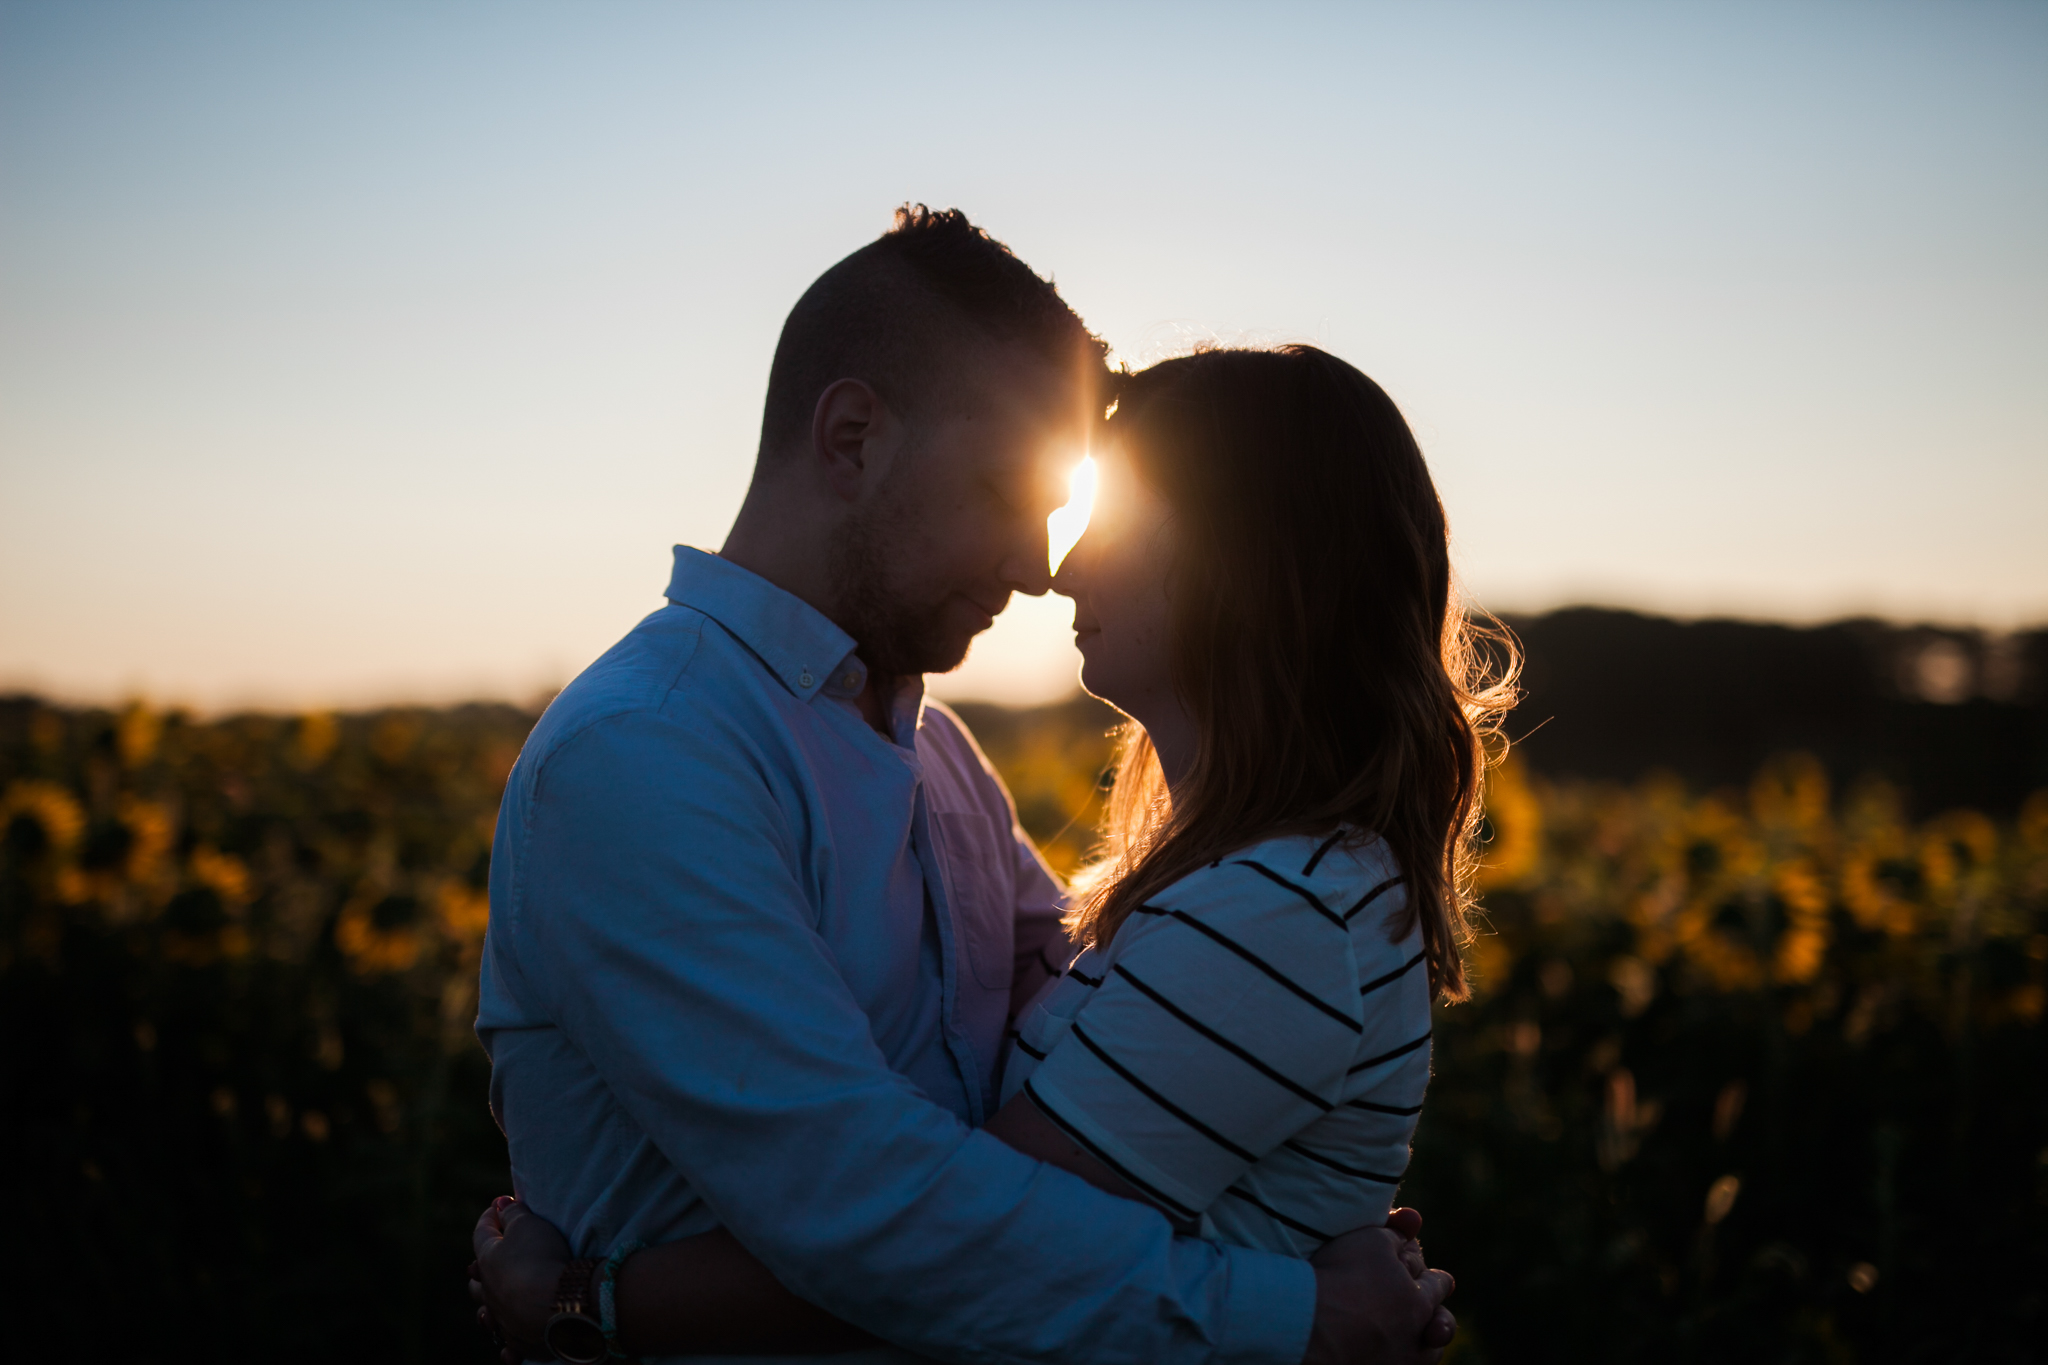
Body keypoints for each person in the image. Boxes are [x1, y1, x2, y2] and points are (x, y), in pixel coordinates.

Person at [470, 205, 1461, 1365]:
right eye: (1005, 489)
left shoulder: (934, 757)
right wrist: (1291, 1311)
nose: (1038, 566)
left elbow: (1106, 1000)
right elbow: (866, 1201)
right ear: (850, 437)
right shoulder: (647, 754)